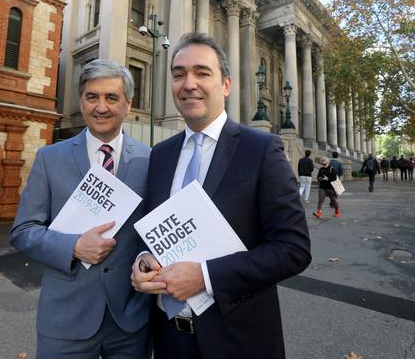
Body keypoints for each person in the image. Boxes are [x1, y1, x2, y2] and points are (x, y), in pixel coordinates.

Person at [130, 32, 311, 359]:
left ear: (226, 85)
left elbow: (293, 249)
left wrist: (205, 277)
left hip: (238, 341)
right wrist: (143, 259)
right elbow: (154, 230)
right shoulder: (161, 154)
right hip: (169, 339)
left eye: (202, 72)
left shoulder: (261, 150)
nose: (188, 84)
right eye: (179, 74)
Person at [9, 59, 151, 359]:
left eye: (111, 98)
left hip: (129, 320)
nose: (101, 107)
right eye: (92, 97)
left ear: (128, 104)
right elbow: (23, 231)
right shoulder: (50, 158)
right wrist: (73, 246)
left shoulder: (151, 160)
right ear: (81, 101)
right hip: (65, 321)